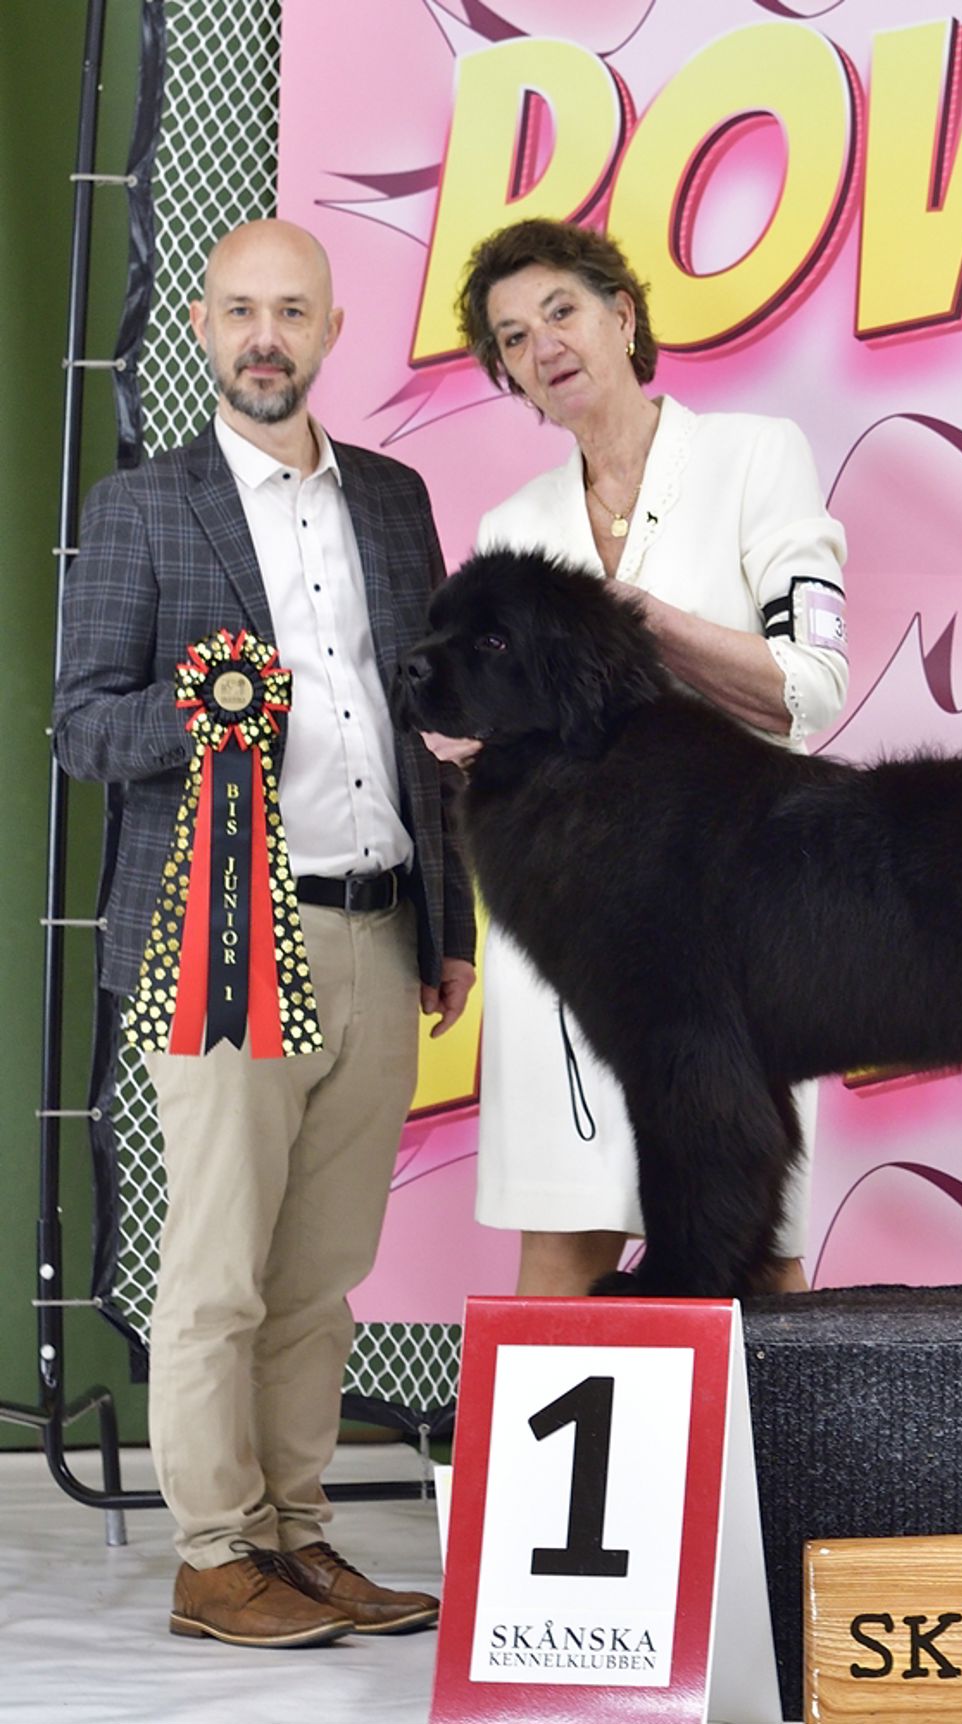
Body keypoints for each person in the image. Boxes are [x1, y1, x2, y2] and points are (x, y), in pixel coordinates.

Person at [52, 220, 477, 1648]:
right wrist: (211, 704)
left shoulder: (398, 501)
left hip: (378, 924)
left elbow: (429, 730)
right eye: (240, 310)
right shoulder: (141, 508)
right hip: (218, 936)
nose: (265, 337)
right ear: (201, 325)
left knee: (321, 1275)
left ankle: (296, 1535)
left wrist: (452, 924)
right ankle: (214, 1551)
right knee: (220, 1268)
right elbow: (81, 726)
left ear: (332, 329)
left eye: (291, 311)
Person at [422, 217, 848, 1297]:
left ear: (622, 314)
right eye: (514, 338)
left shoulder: (756, 457)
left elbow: (809, 691)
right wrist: (465, 741)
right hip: (567, 949)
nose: (545, 346)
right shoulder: (511, 528)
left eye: (560, 310)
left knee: (755, 1260)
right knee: (559, 1267)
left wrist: (638, 621)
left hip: (729, 939)